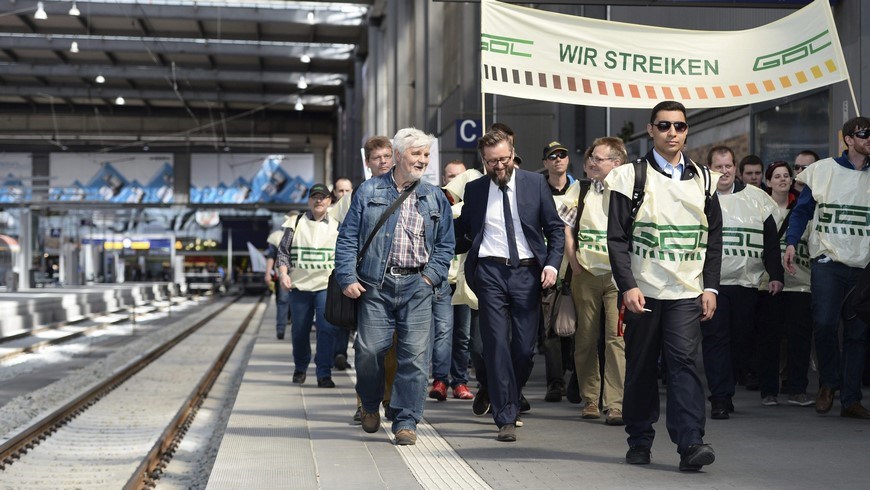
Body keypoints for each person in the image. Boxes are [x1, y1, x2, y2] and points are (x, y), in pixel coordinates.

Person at [606, 100, 722, 471]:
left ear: (687, 131)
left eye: (680, 126)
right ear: (651, 129)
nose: (673, 132)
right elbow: (617, 239)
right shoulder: (630, 176)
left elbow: (714, 239)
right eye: (665, 125)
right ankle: (639, 439)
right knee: (640, 367)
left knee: (684, 364)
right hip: (645, 291)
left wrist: (711, 288)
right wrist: (627, 285)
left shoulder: (705, 179)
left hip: (687, 292)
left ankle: (691, 443)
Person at [335, 127, 454, 445]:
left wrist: (430, 277)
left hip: (417, 285)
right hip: (376, 285)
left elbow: (445, 245)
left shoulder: (435, 196)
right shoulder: (368, 191)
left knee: (414, 357)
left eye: (427, 154)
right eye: (417, 154)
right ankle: (370, 405)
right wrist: (347, 277)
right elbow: (347, 238)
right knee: (369, 351)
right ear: (399, 155)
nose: (423, 160)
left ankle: (405, 420)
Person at [454, 128, 565, 442]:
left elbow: (555, 230)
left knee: (525, 349)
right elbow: (461, 228)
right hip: (489, 272)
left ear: (513, 153)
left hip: (527, 274)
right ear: (483, 161)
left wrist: (552, 265)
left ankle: (497, 388)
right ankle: (505, 414)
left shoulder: (535, 184)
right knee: (496, 344)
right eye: (491, 162)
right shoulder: (475, 190)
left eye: (503, 159)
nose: (498, 166)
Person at [784, 116, 870, 419]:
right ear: (848, 139)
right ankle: (828, 384)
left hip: (864, 267)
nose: (869, 139)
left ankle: (851, 399)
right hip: (828, 262)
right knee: (824, 323)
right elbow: (802, 211)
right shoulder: (823, 171)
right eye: (864, 134)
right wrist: (792, 242)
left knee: (858, 334)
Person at [702, 146, 783, 418]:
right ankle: (720, 398)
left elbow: (771, 241)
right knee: (715, 340)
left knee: (741, 341)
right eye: (718, 166)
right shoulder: (701, 197)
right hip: (712, 285)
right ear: (709, 169)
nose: (724, 171)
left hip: (747, 285)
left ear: (735, 168)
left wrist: (776, 275)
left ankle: (728, 385)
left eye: (728, 166)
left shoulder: (757, 198)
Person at [331, 136, 398, 423]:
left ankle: (389, 399)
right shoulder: (358, 193)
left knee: (394, 348)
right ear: (367, 163)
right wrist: (348, 275)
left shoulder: (404, 189)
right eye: (376, 158)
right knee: (366, 348)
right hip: (367, 282)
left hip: (397, 280)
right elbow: (342, 235)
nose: (383, 162)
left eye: (387, 156)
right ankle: (364, 403)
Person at [560, 137, 627, 425]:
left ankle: (615, 404)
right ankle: (590, 399)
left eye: (599, 159)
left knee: (616, 340)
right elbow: (566, 226)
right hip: (586, 273)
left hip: (618, 276)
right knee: (586, 338)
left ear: (617, 163)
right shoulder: (582, 187)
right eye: (591, 159)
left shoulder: (628, 190)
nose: (592, 163)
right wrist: (573, 261)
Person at [757, 161, 814, 407]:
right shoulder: (760, 209)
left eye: (786, 176)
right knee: (770, 337)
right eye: (777, 176)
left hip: (801, 282)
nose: (783, 180)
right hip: (768, 282)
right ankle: (768, 390)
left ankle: (797, 388)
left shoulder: (803, 208)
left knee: (799, 338)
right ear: (768, 182)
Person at [276, 184, 341, 388]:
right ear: (309, 201)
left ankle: (324, 372)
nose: (318, 200)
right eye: (314, 197)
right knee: (300, 330)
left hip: (326, 286)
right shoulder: (295, 222)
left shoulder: (338, 224)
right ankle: (300, 367)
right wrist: (283, 274)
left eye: (323, 197)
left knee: (326, 329)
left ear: (330, 201)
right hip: (300, 287)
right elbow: (283, 251)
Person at [429, 160, 476, 401]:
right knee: (443, 331)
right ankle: (440, 380)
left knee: (463, 334)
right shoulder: (437, 204)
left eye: (459, 176)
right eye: (450, 176)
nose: (454, 180)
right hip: (442, 280)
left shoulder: (473, 205)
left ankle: (460, 381)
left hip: (465, 280)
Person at [541, 140, 577, 403]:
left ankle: (574, 377)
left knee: (575, 326)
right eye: (552, 156)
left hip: (575, 267)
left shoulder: (579, 190)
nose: (558, 160)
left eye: (562, 155)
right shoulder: (537, 189)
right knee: (550, 327)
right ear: (546, 163)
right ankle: (555, 382)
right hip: (546, 266)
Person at [330, 177, 354, 371]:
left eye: (347, 191)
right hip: (329, 274)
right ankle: (332, 354)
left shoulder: (354, 212)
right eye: (340, 191)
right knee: (332, 318)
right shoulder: (330, 217)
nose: (344, 195)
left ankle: (340, 353)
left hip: (348, 272)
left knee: (344, 317)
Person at [265, 229, 289, 339]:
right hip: (284, 274)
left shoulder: (277, 237)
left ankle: (281, 328)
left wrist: (268, 273)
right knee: (283, 301)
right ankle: (281, 328)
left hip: (291, 274)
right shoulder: (278, 237)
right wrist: (268, 273)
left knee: (283, 301)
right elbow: (272, 256)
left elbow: (271, 256)